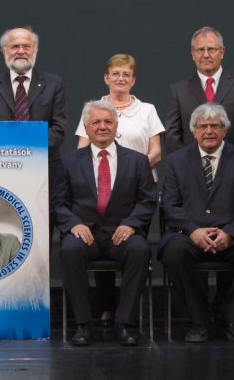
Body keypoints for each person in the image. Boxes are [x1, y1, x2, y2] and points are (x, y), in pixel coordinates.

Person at [159, 103, 234, 343]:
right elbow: (169, 204)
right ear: (194, 131)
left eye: (215, 126)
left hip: (232, 235)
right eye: (203, 126)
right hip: (189, 233)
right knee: (174, 252)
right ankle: (199, 322)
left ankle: (228, 318)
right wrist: (193, 231)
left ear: (225, 130)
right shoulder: (177, 160)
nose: (209, 130)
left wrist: (230, 233)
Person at [53, 100, 156, 346]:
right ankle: (83, 325)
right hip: (84, 234)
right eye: (96, 122)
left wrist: (131, 224)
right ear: (86, 128)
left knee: (140, 250)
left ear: (116, 126)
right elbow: (58, 202)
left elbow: (147, 200)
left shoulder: (138, 161)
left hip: (122, 234)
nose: (102, 127)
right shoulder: (69, 161)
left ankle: (125, 323)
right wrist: (73, 224)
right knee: (69, 250)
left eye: (108, 121)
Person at [74, 54, 164, 328]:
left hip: (135, 193)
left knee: (129, 248)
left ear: (134, 79)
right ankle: (106, 309)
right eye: (116, 73)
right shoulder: (94, 109)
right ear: (106, 77)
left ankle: (128, 314)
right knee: (99, 248)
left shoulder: (147, 109)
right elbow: (81, 149)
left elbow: (156, 151)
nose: (121, 78)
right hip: (97, 190)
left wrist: (126, 173)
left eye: (126, 74)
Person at [0, 26, 67, 242]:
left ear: (35, 49)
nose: (20, 51)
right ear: (4, 51)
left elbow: (58, 128)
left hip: (44, 173)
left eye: (26, 46)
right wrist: (13, 157)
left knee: (42, 237)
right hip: (2, 172)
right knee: (7, 233)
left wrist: (27, 154)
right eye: (14, 46)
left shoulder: (54, 84)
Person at [165, 26, 234, 157]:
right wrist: (184, 168)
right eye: (200, 50)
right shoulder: (179, 90)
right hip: (191, 171)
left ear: (222, 52)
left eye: (211, 49)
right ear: (192, 54)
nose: (206, 55)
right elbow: (172, 135)